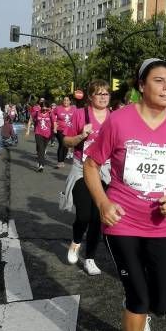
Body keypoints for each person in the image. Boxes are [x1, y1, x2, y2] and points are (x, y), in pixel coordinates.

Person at [83, 58, 166, 331]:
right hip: (123, 221)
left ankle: (145, 316)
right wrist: (103, 203)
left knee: (162, 303)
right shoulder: (119, 121)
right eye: (159, 80)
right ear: (141, 85)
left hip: (161, 225)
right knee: (138, 297)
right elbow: (91, 164)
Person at [63, 80, 111, 275]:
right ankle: (76, 241)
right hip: (81, 167)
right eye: (99, 94)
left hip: (105, 170)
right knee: (83, 215)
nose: (103, 97)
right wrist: (81, 135)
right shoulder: (79, 114)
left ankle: (90, 258)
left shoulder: (114, 117)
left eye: (106, 94)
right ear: (90, 96)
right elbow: (66, 141)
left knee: (98, 217)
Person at [26, 98, 53, 172]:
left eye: (45, 109)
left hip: (48, 134)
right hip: (38, 133)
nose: (44, 110)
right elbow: (30, 119)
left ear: (48, 108)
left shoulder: (50, 113)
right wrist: (28, 130)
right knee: (41, 148)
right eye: (43, 109)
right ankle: (41, 165)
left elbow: (55, 122)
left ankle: (39, 161)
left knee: (43, 149)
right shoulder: (37, 112)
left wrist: (55, 130)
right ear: (40, 107)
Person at [53, 96, 76, 168]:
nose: (66, 101)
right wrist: (54, 124)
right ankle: (59, 162)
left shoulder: (74, 109)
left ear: (70, 102)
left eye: (67, 100)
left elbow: (77, 117)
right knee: (62, 143)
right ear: (63, 101)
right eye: (64, 100)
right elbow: (52, 114)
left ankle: (62, 160)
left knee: (66, 145)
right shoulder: (58, 108)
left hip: (69, 130)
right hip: (60, 129)